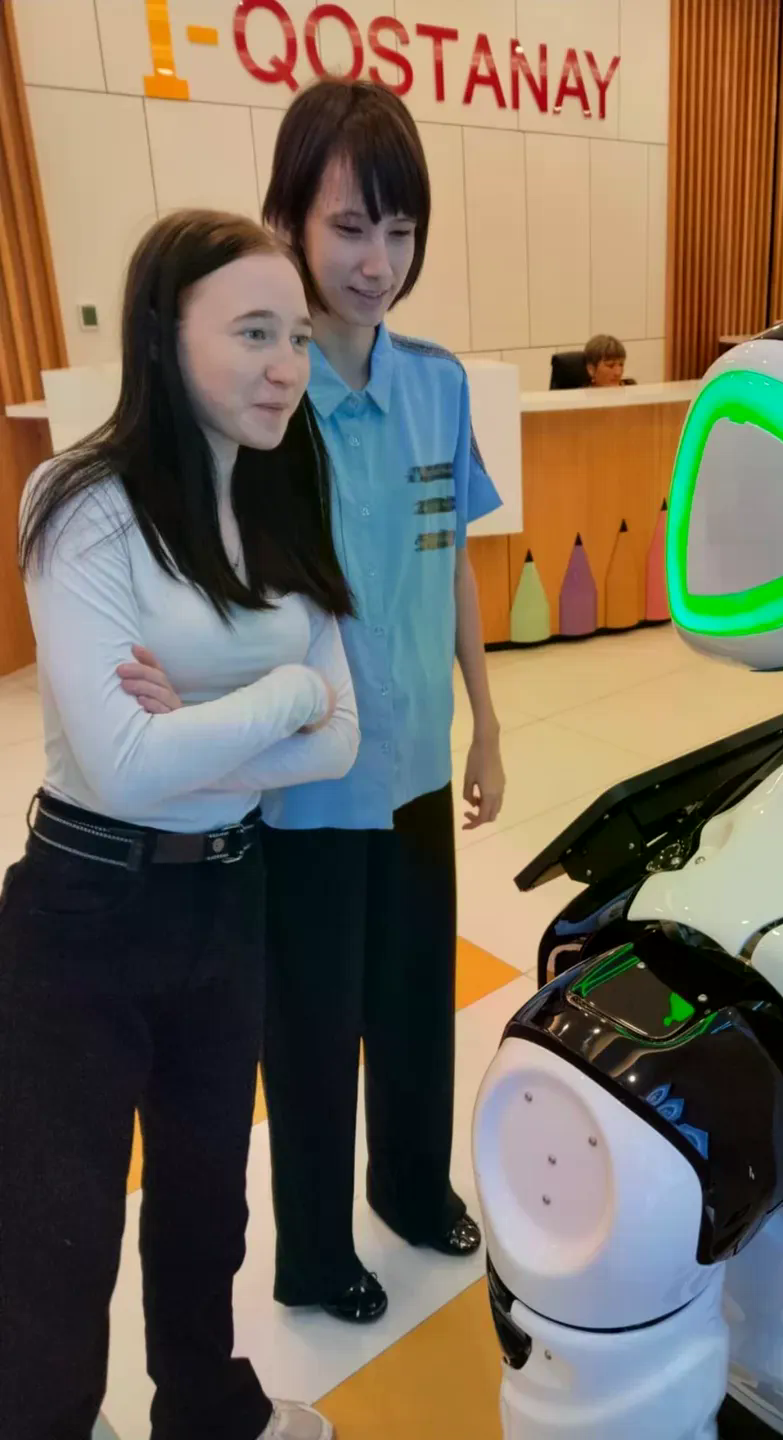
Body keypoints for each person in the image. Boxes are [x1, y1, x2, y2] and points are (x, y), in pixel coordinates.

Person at [0, 211, 357, 1440]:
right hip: (88, 907)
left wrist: (203, 721)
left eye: (297, 337)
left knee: (209, 1198)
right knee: (57, 1232)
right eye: (253, 333)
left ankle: (208, 1411)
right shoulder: (81, 502)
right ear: (163, 336)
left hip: (228, 892)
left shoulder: (283, 493)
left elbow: (341, 741)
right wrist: (286, 692)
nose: (286, 366)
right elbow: (125, 765)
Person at [257, 77, 506, 1327]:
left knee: (414, 999)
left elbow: (452, 557)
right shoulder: (262, 398)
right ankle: (311, 1252)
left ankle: (410, 1186)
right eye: (350, 227)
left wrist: (488, 722)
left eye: (399, 230)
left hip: (413, 763)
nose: (378, 261)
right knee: (310, 1028)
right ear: (290, 223)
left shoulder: (438, 386)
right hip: (303, 783)